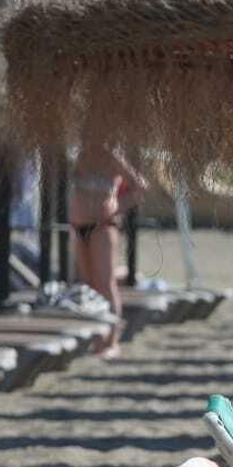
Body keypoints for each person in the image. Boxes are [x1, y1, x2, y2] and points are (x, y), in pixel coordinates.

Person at [69, 144, 146, 358]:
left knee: (105, 283)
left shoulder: (112, 156)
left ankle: (112, 341)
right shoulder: (78, 153)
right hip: (78, 224)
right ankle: (97, 338)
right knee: (88, 285)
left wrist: (115, 207)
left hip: (102, 226)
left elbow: (140, 188)